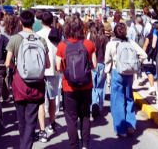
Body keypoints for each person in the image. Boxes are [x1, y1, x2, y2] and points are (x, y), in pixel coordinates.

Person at [5, 10, 50, 149]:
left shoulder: (15, 39)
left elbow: (7, 63)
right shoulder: (41, 40)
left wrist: (16, 69)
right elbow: (47, 64)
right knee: (31, 119)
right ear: (33, 23)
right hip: (36, 84)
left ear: (20, 22)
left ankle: (22, 145)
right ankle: (26, 146)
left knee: (21, 119)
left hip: (19, 83)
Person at [55, 15, 97, 149]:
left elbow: (58, 67)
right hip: (86, 86)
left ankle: (74, 146)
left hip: (69, 88)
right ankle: (85, 145)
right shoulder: (88, 44)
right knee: (85, 116)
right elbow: (94, 65)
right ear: (81, 28)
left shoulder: (62, 45)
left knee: (71, 119)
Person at [105, 22, 147, 137]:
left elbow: (106, 60)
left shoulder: (111, 44)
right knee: (129, 98)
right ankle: (130, 125)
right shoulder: (131, 43)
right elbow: (143, 55)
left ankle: (121, 129)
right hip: (129, 73)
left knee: (118, 100)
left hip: (116, 72)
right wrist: (136, 64)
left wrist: (107, 72)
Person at [35, 11, 61, 142]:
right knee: (52, 98)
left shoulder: (37, 35)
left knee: (40, 101)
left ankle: (42, 130)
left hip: (40, 71)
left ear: (41, 22)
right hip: (54, 71)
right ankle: (52, 123)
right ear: (52, 21)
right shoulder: (57, 34)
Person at [87, 20, 108, 118]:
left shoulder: (90, 37)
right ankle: (99, 106)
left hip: (92, 64)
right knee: (101, 87)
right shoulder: (105, 38)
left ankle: (93, 103)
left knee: (92, 86)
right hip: (102, 64)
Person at [141, 11, 158, 96]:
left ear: (151, 16)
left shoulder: (148, 25)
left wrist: (143, 52)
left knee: (149, 69)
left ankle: (152, 87)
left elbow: (146, 39)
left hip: (150, 50)